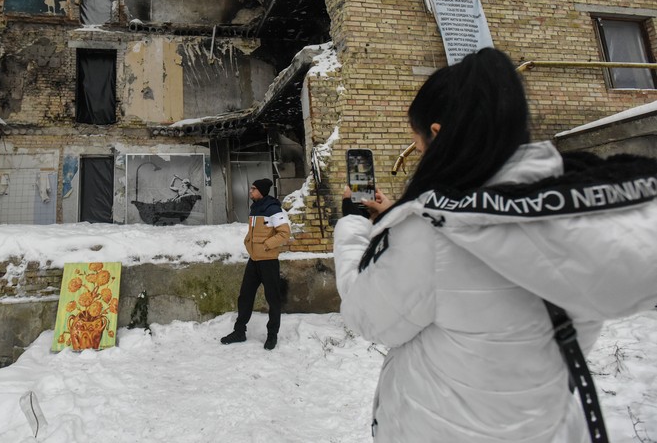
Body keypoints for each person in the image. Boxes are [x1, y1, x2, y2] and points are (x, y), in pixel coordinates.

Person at [333, 47, 657, 442]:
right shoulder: (574, 212)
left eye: (417, 143)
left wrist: (354, 224)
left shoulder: (430, 234)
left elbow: (367, 317)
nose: (417, 153)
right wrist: (399, 217)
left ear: (438, 134)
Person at [221, 178, 292, 350]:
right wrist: (248, 242)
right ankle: (239, 332)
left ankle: (272, 335)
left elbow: (284, 233)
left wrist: (266, 245)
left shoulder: (273, 209)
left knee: (273, 299)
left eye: (253, 189)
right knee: (245, 296)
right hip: (254, 261)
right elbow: (252, 233)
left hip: (268, 262)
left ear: (261, 191)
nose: (250, 191)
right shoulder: (254, 208)